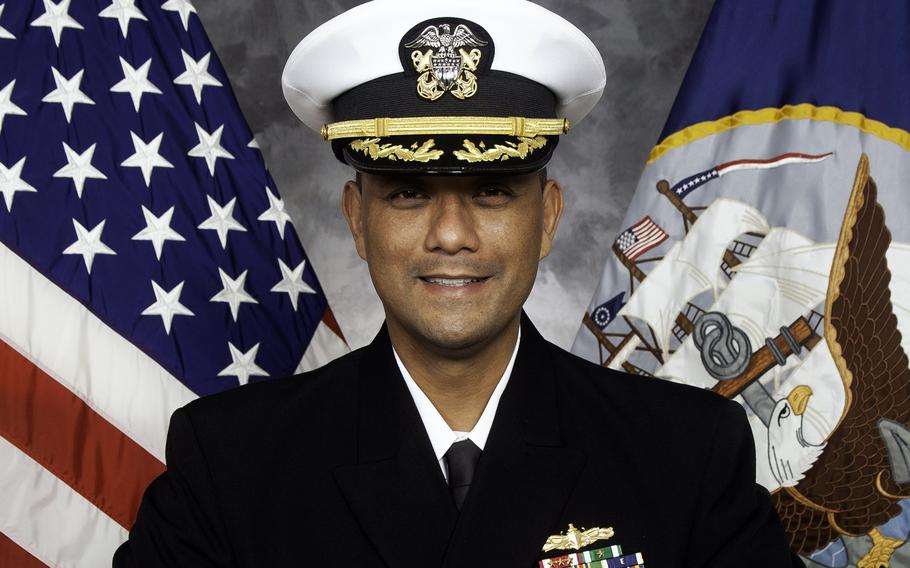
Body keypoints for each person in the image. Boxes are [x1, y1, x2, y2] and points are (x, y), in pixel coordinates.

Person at [114, 0, 804, 566]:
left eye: (493, 191)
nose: (451, 233)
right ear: (357, 221)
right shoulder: (233, 463)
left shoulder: (684, 455)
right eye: (410, 192)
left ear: (548, 218)